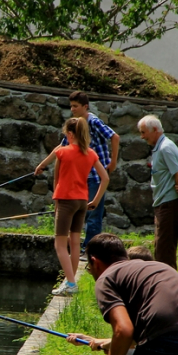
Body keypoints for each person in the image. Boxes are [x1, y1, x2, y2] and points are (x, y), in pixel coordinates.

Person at [35, 117, 109, 296]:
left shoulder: (62, 152)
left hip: (66, 201)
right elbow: (105, 178)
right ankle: (71, 281)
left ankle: (70, 283)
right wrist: (96, 201)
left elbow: (57, 178)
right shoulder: (90, 153)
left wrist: (42, 167)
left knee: (60, 244)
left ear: (69, 134)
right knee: (75, 242)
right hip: (82, 201)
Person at [62, 91, 119, 256]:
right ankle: (84, 247)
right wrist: (44, 163)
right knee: (81, 212)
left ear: (85, 106)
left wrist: (113, 161)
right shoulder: (75, 125)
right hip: (82, 175)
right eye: (71, 106)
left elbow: (114, 137)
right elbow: (63, 146)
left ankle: (90, 250)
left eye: (75, 106)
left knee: (94, 214)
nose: (72, 109)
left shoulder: (93, 121)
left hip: (96, 175)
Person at [137, 115, 178, 270]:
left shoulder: (166, 147)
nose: (142, 136)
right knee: (161, 248)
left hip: (169, 204)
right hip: (163, 204)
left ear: (155, 129)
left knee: (163, 252)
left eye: (144, 132)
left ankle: (168, 287)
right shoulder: (160, 147)